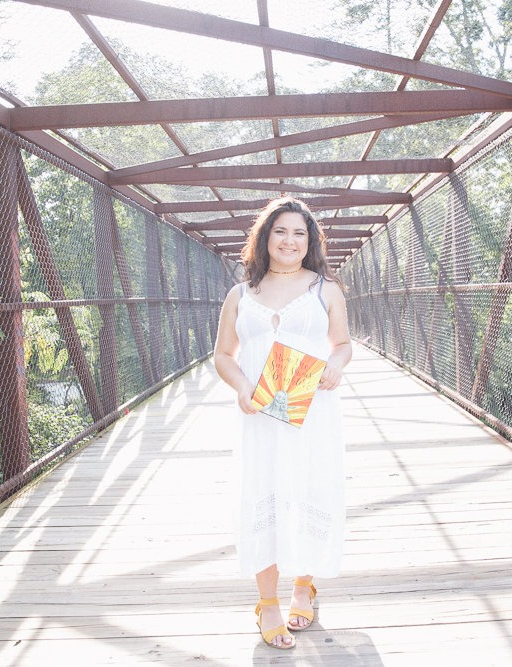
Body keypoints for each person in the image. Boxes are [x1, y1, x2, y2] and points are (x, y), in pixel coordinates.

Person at [213, 196, 351, 650]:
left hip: (310, 412)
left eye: (299, 233)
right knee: (262, 493)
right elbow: (223, 356)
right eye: (280, 231)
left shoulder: (325, 288)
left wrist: (335, 366)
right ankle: (267, 602)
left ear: (309, 242)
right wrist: (242, 388)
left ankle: (302, 588)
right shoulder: (240, 295)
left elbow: (343, 344)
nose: (290, 241)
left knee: (308, 488)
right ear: (265, 237)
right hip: (260, 415)